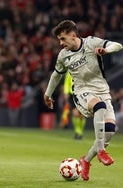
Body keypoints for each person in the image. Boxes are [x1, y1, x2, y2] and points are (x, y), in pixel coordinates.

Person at [43, 20, 123, 181]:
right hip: (82, 91)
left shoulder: (92, 42)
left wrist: (105, 50)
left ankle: (85, 161)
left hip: (102, 90)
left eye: (63, 38)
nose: (61, 43)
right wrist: (48, 93)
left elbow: (118, 46)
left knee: (109, 131)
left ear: (73, 35)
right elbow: (56, 75)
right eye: (59, 39)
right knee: (99, 107)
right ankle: (101, 151)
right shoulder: (63, 55)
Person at [60, 72, 86, 140]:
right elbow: (67, 81)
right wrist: (66, 92)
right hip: (72, 94)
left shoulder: (84, 69)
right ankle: (78, 131)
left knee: (82, 114)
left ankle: (80, 132)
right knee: (75, 113)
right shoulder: (70, 70)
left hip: (82, 94)